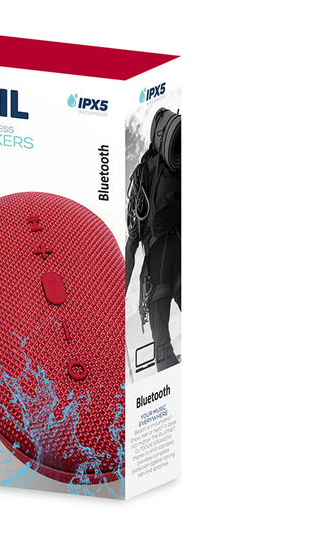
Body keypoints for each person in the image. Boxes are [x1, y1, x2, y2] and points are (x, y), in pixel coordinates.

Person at [126, 109, 181, 372]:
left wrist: (117, 297)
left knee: (162, 346)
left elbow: (131, 244)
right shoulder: (174, 167)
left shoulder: (141, 178)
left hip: (156, 266)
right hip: (180, 249)